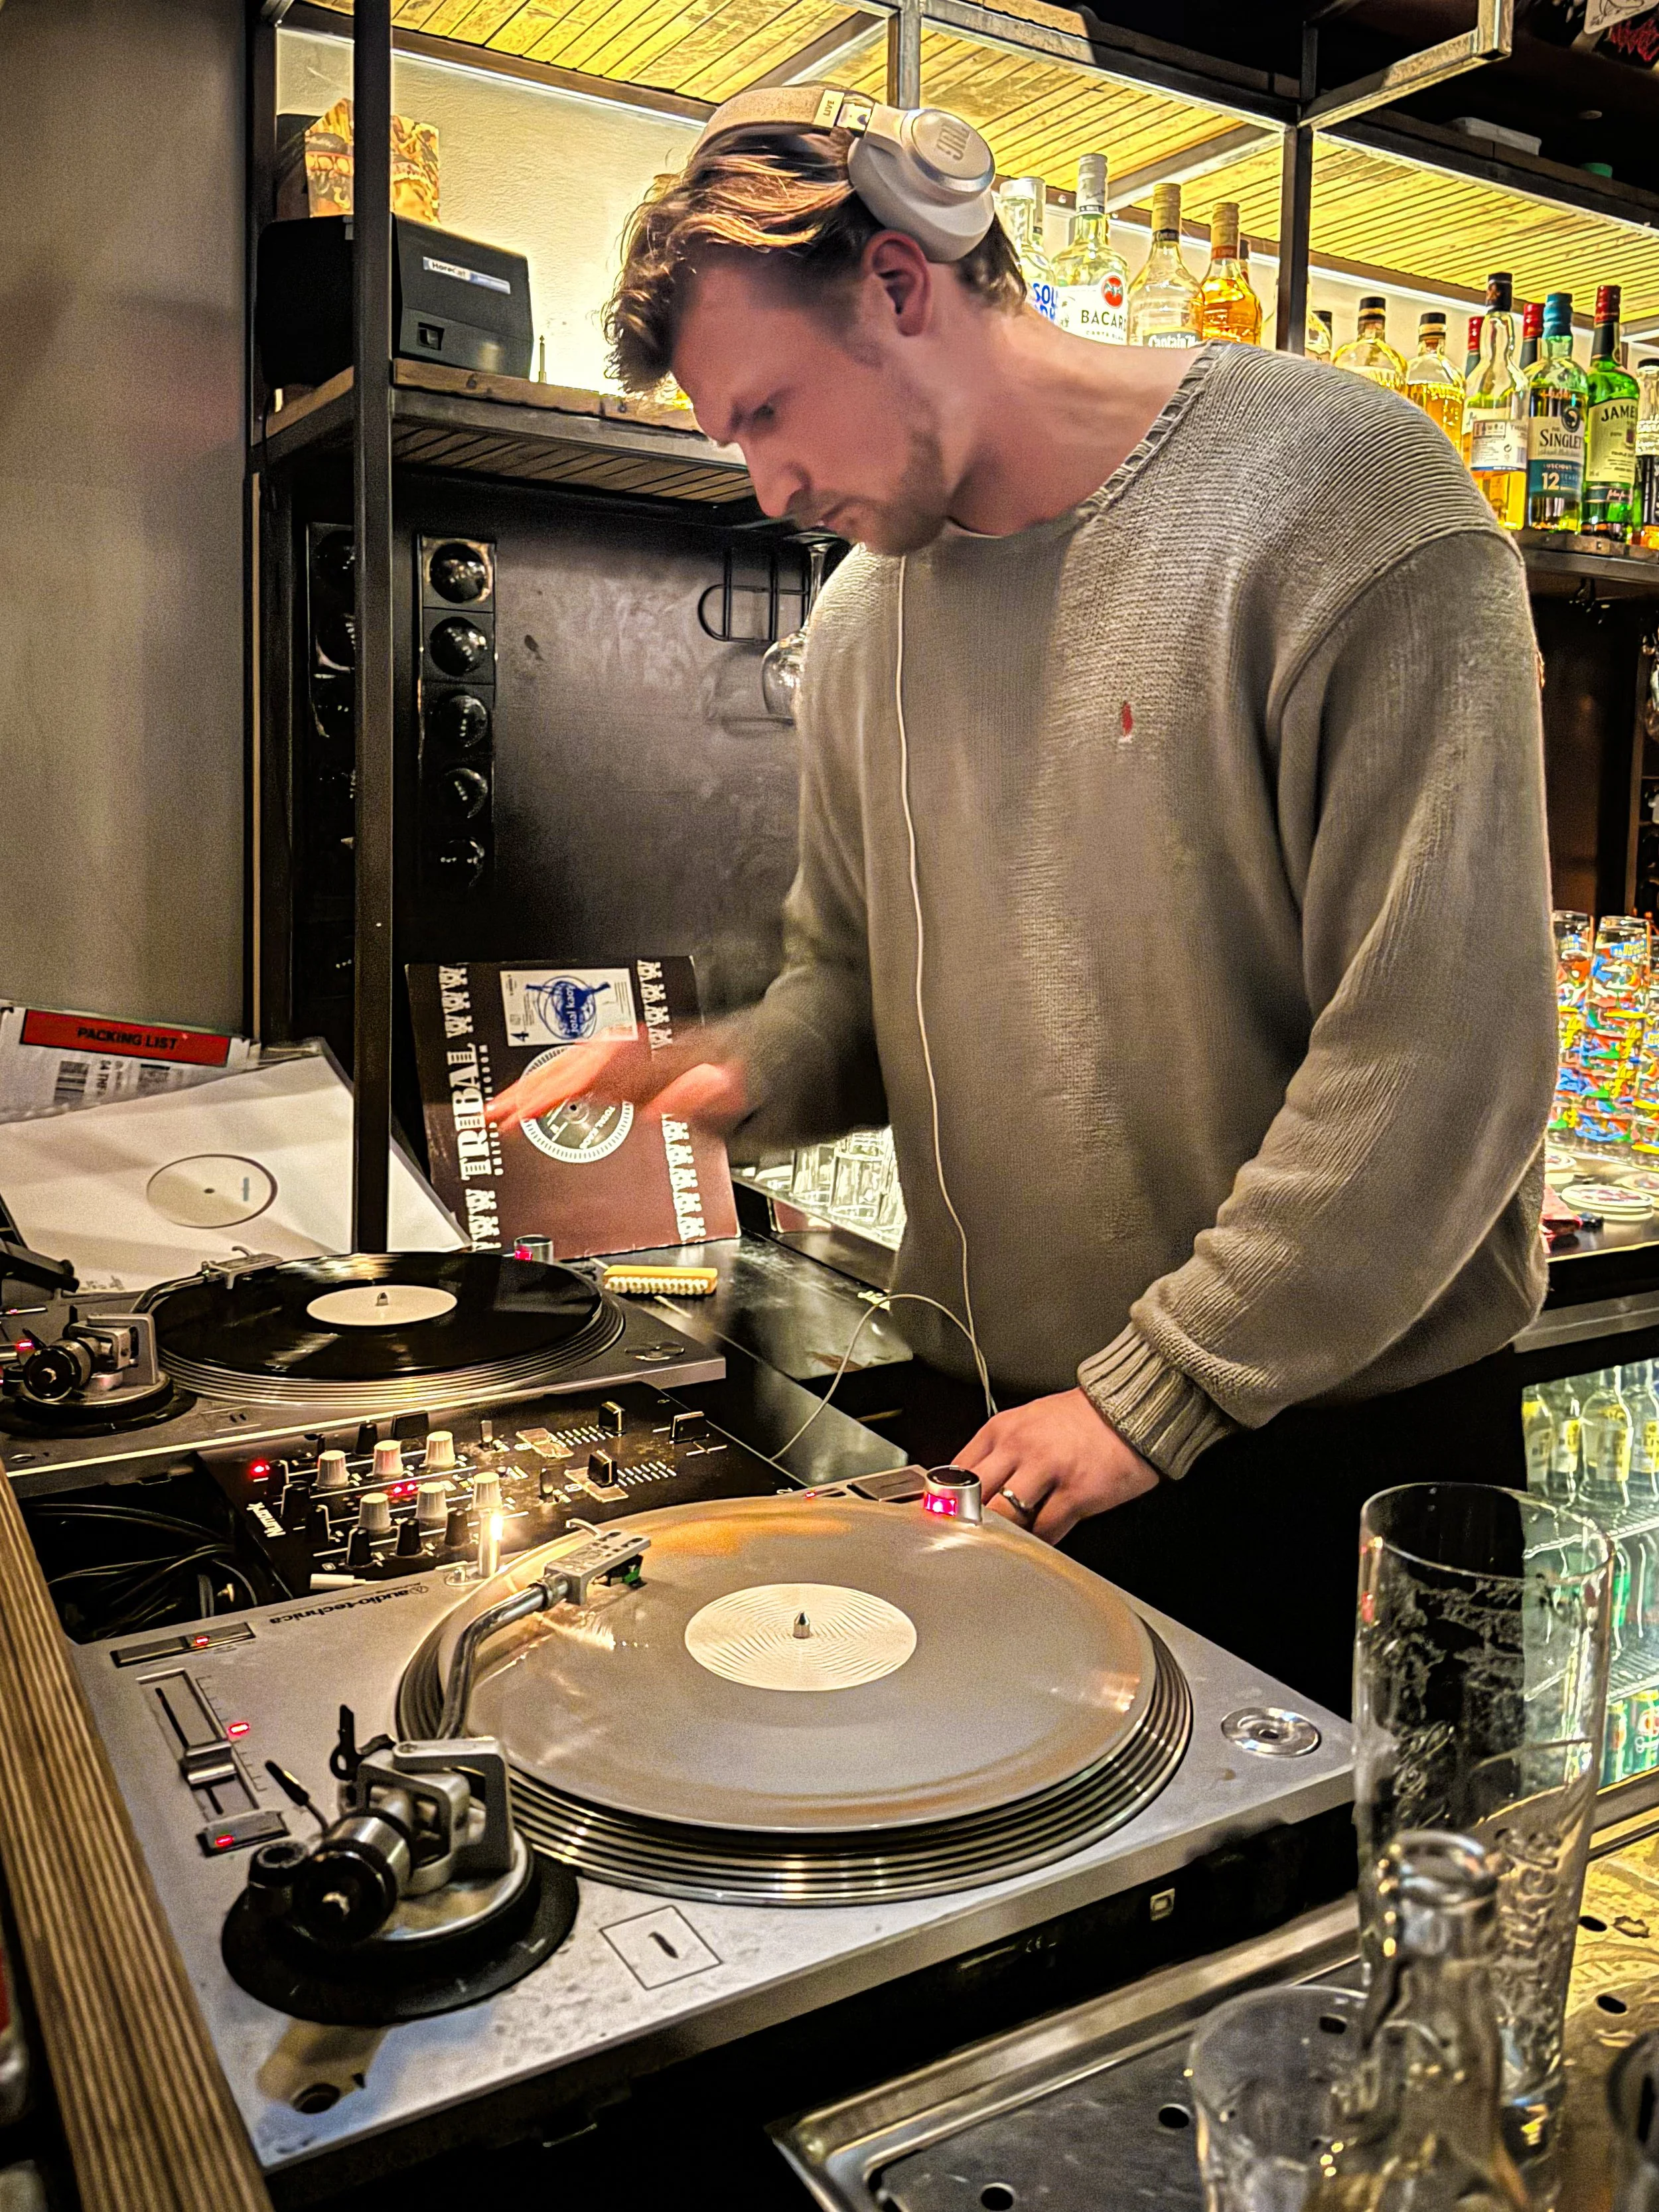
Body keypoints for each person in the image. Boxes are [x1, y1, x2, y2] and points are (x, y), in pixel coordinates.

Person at [486, 92, 1556, 1716]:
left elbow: (1441, 1052)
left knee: (1369, 1965)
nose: (768, 486)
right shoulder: (858, 625)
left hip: (1340, 1463)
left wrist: (1155, 1392)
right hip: (1014, 1441)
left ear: (902, 285)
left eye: (773, 409)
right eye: (736, 441)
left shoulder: (1346, 500)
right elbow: (848, 976)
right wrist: (734, 1070)